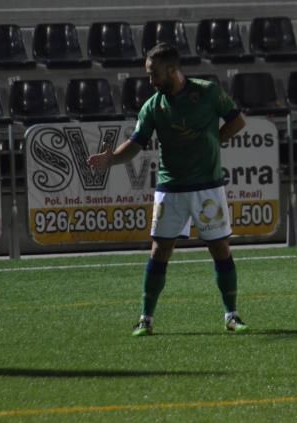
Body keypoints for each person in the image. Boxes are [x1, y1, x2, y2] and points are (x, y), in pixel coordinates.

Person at [88, 43, 248, 336]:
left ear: (173, 70)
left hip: (207, 186)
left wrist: (215, 140)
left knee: (220, 248)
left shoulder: (209, 92)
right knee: (159, 251)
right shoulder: (153, 106)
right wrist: (111, 159)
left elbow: (237, 121)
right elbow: (136, 143)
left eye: (154, 74)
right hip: (170, 188)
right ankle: (145, 319)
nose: (151, 81)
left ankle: (232, 315)